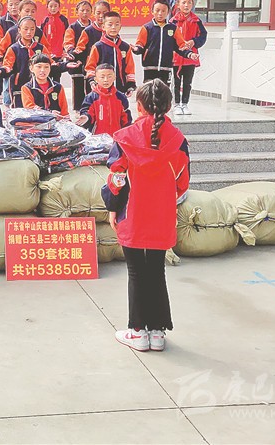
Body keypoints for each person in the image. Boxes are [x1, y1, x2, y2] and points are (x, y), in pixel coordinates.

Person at [102, 79, 191, 352]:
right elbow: (182, 183)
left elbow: (116, 179)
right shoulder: (179, 141)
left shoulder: (124, 138)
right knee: (156, 271)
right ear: (169, 106)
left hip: (132, 215)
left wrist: (113, 207)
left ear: (138, 107)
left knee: (136, 272)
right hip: (162, 216)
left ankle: (137, 331)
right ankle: (157, 332)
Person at [132, 0, 198, 86]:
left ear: (168, 13)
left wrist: (190, 54)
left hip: (166, 68)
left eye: (163, 11)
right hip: (149, 68)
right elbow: (140, 44)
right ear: (152, 11)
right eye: (157, 10)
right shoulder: (147, 28)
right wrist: (136, 49)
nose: (160, 13)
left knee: (164, 91)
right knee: (149, 91)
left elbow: (181, 46)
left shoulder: (173, 28)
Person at [0, 16, 48, 108]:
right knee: (19, 112)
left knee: (38, 112)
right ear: (19, 30)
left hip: (38, 87)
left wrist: (65, 65)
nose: (29, 32)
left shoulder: (41, 48)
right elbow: (8, 66)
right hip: (18, 87)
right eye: (26, 29)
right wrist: (0, 70)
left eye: (32, 29)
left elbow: (50, 63)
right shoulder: (14, 48)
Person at [170, 0, 207, 116]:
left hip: (191, 57)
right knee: (176, 82)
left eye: (189, 3)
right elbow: (169, 38)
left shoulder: (196, 21)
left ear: (192, 4)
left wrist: (194, 42)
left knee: (187, 82)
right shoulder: (173, 21)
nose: (186, 5)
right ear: (178, 5)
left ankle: (185, 104)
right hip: (176, 56)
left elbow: (203, 36)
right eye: (184, 2)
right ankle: (176, 104)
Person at [84, 11, 137, 96]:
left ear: (120, 26)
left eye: (117, 24)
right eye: (110, 24)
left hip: (120, 89)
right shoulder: (98, 47)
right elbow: (90, 67)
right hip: (101, 90)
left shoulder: (125, 47)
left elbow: (130, 68)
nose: (113, 27)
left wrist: (130, 85)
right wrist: (92, 81)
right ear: (103, 27)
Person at [76, 64, 132, 136]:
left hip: (116, 136)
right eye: (102, 77)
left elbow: (126, 117)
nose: (106, 80)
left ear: (114, 78)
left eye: (109, 76)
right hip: (97, 137)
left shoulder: (120, 97)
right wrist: (86, 117)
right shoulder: (91, 97)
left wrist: (127, 132)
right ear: (96, 79)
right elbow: (87, 112)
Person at [0, 0, 23, 106]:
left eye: (17, 4)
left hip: (23, 59)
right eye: (11, 4)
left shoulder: (26, 21)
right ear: (7, 7)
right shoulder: (1, 22)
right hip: (8, 59)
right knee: (7, 85)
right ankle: (7, 107)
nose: (14, 7)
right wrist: (10, 46)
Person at [63, 0, 93, 111]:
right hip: (77, 60)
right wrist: (73, 52)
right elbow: (68, 43)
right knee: (78, 86)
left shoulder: (94, 27)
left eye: (88, 10)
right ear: (77, 12)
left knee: (91, 85)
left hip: (91, 60)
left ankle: (91, 109)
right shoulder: (72, 27)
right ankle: (78, 109)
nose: (85, 13)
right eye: (82, 10)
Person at [41, 0, 69, 84]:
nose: (53, 8)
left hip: (59, 52)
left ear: (59, 7)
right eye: (51, 6)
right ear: (47, 7)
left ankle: (57, 91)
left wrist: (64, 49)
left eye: (55, 6)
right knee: (47, 74)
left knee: (57, 74)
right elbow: (42, 36)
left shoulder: (63, 19)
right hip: (47, 52)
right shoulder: (45, 20)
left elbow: (67, 35)